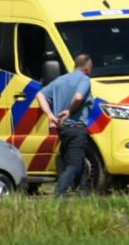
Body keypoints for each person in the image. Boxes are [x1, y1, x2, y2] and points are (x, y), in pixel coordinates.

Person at [35, 54, 93, 197]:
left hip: (63, 129)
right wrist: (70, 110)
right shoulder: (84, 79)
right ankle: (58, 194)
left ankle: (83, 195)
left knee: (76, 161)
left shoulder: (60, 80)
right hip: (76, 128)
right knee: (74, 165)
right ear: (86, 68)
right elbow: (79, 97)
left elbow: (40, 95)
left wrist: (49, 114)